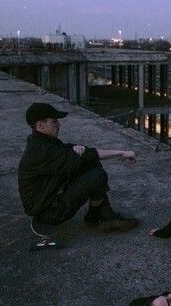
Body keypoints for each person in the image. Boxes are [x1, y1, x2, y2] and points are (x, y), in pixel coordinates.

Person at [18, 102, 138, 238]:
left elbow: (76, 152)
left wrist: (78, 148)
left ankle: (97, 215)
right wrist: (122, 153)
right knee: (97, 175)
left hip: (48, 201)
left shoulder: (41, 141)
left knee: (90, 164)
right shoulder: (42, 151)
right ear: (41, 125)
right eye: (54, 121)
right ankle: (100, 216)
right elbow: (88, 154)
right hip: (48, 212)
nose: (59, 124)